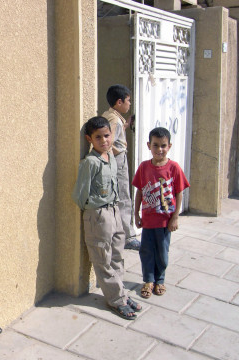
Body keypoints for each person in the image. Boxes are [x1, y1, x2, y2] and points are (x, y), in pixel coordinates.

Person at [72, 116, 142, 320]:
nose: (104, 141)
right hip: (98, 216)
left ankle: (120, 293)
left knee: (118, 255)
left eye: (107, 135)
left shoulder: (110, 157)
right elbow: (79, 195)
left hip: (114, 212)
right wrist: (94, 210)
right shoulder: (90, 163)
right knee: (103, 259)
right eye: (98, 137)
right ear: (89, 139)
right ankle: (116, 300)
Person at [132, 127, 190, 299]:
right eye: (155, 145)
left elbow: (179, 192)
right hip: (148, 221)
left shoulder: (174, 168)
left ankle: (160, 279)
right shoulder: (143, 167)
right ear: (149, 145)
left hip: (165, 222)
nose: (159, 150)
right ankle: (148, 280)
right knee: (146, 251)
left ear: (169, 146)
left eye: (163, 146)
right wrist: (136, 214)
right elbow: (140, 191)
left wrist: (175, 217)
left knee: (162, 253)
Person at [102, 85, 141, 251]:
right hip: (117, 162)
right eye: (128, 101)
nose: (129, 104)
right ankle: (128, 237)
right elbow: (108, 141)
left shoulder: (110, 115)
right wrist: (114, 157)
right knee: (124, 198)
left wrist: (126, 125)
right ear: (119, 102)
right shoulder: (114, 120)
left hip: (116, 160)